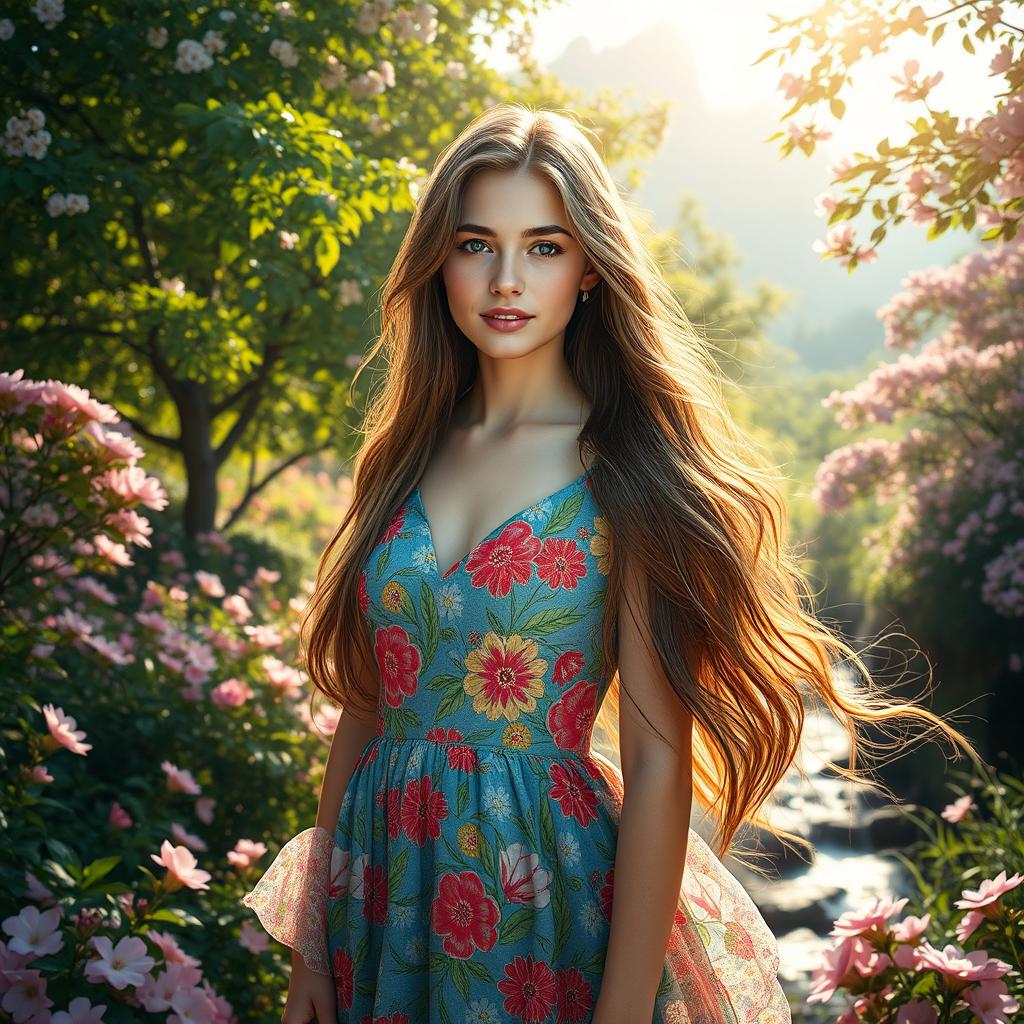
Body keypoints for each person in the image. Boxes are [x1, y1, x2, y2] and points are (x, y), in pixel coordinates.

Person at [241, 103, 977, 1023]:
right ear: (440, 259)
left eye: (544, 247)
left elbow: (658, 762)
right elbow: (364, 705)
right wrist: (312, 941)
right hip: (378, 890)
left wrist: (624, 1006)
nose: (506, 279)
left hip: (537, 899)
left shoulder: (624, 467)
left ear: (590, 267)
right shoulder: (403, 452)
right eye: (477, 244)